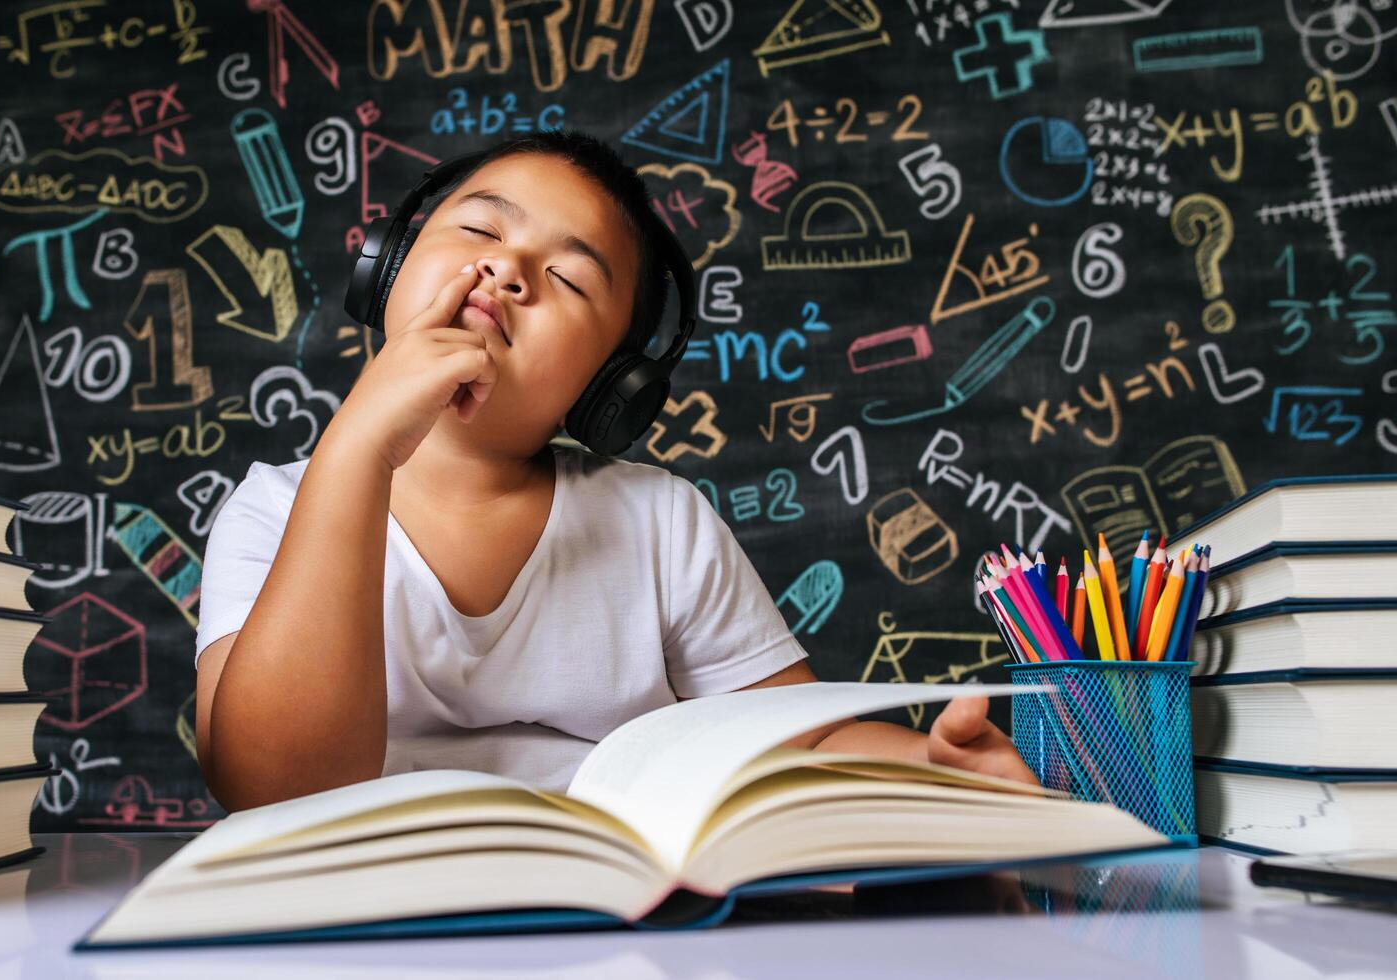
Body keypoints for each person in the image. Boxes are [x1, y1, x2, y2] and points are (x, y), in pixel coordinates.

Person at [195, 129, 1036, 812]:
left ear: (604, 391)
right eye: (480, 230)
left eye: (566, 277)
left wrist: (936, 771)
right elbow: (273, 791)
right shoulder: (271, 511)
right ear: (387, 264)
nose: (508, 270)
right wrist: (358, 448)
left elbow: (794, 740)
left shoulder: (658, 521)